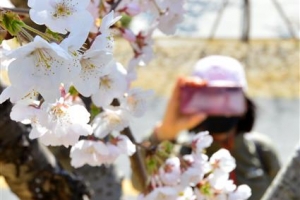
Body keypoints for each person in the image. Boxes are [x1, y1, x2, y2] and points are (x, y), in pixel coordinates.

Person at [131, 55, 281, 200]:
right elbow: (142, 183)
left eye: (227, 98)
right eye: (208, 99)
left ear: (244, 104)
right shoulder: (182, 153)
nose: (217, 108)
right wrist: (164, 134)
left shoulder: (261, 151)